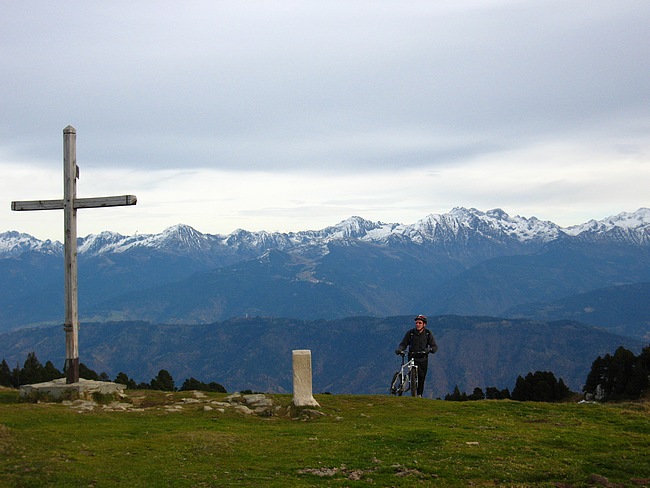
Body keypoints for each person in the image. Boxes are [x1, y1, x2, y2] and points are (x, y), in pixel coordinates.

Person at [395, 314, 438, 397]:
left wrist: (429, 350)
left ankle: (419, 395)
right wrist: (400, 349)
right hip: (412, 357)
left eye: (420, 323)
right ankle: (413, 391)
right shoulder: (410, 333)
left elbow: (434, 346)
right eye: (416, 323)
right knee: (413, 376)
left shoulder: (428, 334)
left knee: (422, 378)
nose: (417, 324)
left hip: (423, 358)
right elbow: (403, 344)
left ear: (424, 324)